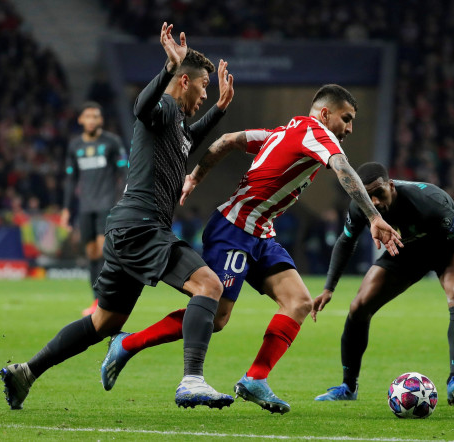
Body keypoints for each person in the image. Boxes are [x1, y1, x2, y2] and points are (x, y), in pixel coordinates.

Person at [99, 84, 403, 414]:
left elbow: (226, 141)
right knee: (216, 318)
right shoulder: (316, 132)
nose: (349, 128)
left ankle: (255, 378)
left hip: (260, 233)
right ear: (325, 113)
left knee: (298, 302)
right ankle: (127, 343)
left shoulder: (284, 132)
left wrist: (196, 177)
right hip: (233, 228)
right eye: (346, 118)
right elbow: (344, 169)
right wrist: (373, 217)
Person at [0, 22, 235, 410]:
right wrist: (166, 69)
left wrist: (220, 109)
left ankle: (26, 371)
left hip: (128, 230)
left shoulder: (176, 126)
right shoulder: (161, 109)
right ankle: (192, 380)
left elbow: (187, 142)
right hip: (142, 228)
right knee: (209, 287)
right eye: (203, 86)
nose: (205, 93)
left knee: (105, 323)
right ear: (183, 82)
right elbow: (141, 107)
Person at [311, 162, 454, 406]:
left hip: (447, 248)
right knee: (358, 306)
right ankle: (348, 386)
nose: (374, 201)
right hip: (407, 250)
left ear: (392, 186)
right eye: (368, 196)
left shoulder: (426, 202)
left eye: (379, 193)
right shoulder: (360, 206)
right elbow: (345, 242)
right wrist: (328, 288)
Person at [61, 101, 127, 316]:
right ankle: (97, 300)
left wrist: (122, 200)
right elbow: (71, 180)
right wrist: (66, 209)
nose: (91, 120)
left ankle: (107, 300)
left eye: (95, 116)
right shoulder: (75, 146)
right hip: (85, 207)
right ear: (80, 120)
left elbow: (124, 173)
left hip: (107, 204)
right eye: (87, 116)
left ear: (101, 120)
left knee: (103, 251)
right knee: (91, 254)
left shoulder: (112, 142)